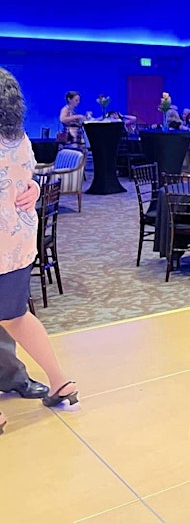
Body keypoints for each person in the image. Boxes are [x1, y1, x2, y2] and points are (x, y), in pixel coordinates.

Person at [0, 67, 80, 431]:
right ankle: (60, 380)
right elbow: (25, 179)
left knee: (14, 317)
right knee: (16, 315)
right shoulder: (19, 140)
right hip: (17, 242)